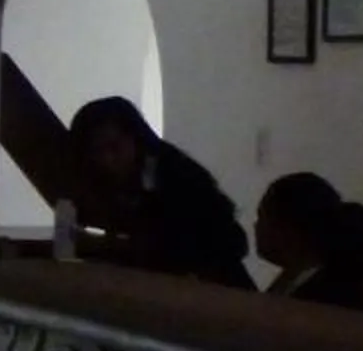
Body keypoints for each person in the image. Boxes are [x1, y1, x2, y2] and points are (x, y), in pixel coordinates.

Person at [67, 96, 253, 289]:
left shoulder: (176, 176)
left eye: (114, 147)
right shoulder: (119, 180)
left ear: (135, 138)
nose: (107, 159)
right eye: (96, 152)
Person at [255, 170, 363, 311]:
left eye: (262, 217)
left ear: (287, 228)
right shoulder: (294, 283)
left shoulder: (328, 300)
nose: (256, 226)